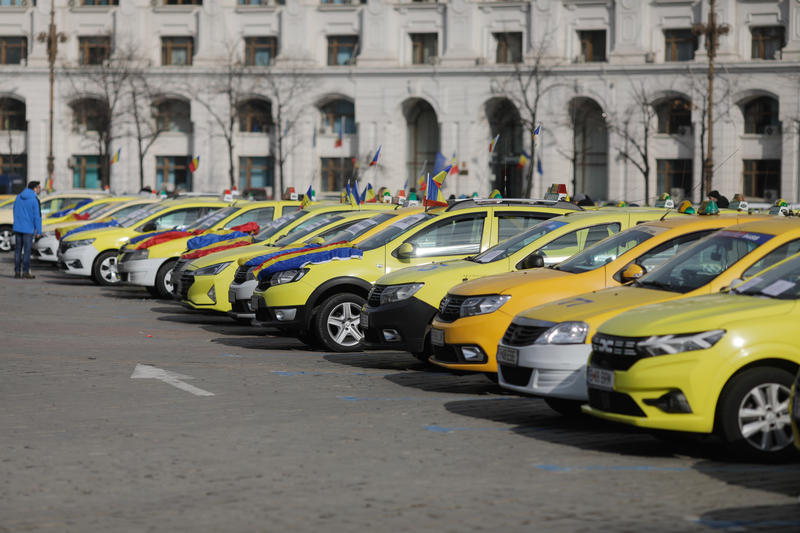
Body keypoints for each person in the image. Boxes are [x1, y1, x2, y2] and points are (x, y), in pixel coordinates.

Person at [12, 181, 42, 279]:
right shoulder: (34, 199)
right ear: (34, 188)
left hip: (18, 227)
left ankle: (17, 272)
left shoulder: (18, 197)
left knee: (17, 251)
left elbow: (14, 210)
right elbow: (37, 216)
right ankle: (25, 272)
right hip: (28, 229)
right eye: (38, 188)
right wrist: (39, 231)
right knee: (27, 251)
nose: (39, 190)